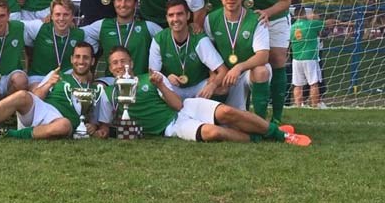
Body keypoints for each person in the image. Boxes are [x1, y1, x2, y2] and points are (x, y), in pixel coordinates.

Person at [96, 46, 310, 146]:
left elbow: (178, 104)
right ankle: (262, 135)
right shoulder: (109, 93)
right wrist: (100, 130)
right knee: (212, 133)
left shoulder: (150, 77)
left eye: (123, 61)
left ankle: (283, 136)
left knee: (226, 112)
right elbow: (105, 125)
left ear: (131, 63)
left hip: (185, 109)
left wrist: (161, 85)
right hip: (171, 128)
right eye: (114, 62)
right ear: (110, 66)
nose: (119, 66)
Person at [216, 0, 291, 123]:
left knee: (276, 60)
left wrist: (265, 13)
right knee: (248, 59)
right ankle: (251, 112)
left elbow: (285, 2)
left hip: (273, 17)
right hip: (242, 19)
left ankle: (276, 117)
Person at [0, 42, 102, 141]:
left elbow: (95, 118)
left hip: (62, 122)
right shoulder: (58, 74)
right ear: (71, 59)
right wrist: (48, 83)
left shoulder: (95, 89)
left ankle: (9, 133)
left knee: (63, 125)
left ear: (92, 61)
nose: (81, 61)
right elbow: (35, 96)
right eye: (77, 57)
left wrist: (93, 126)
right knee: (23, 95)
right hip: (43, 110)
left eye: (85, 57)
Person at [204, 0, 276, 122]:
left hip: (247, 71)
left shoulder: (256, 19)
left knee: (261, 71)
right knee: (231, 119)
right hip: (226, 74)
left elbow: (263, 56)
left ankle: (260, 122)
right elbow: (209, 53)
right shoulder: (210, 19)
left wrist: (239, 67)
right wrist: (214, 76)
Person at [149, 0, 228, 101]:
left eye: (179, 14)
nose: (175, 19)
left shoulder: (199, 38)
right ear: (167, 18)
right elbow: (153, 73)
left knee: (223, 88)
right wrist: (168, 77)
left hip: (197, 87)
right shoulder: (159, 39)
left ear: (188, 15)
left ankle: (211, 113)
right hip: (174, 88)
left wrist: (212, 85)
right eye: (171, 15)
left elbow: (223, 70)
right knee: (157, 84)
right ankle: (173, 111)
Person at [82, 0, 162, 81]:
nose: (123, 4)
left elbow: (169, 39)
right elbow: (77, 33)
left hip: (140, 81)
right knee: (98, 88)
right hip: (111, 81)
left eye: (128, 0)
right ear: (114, 2)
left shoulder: (148, 27)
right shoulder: (103, 25)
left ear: (135, 4)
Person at [24, 0, 85, 86]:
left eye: (66, 15)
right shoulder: (39, 27)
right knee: (38, 94)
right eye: (57, 14)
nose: (61, 18)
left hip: (66, 76)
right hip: (39, 76)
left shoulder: (80, 34)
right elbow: (14, 24)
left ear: (72, 16)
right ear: (51, 16)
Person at [290, 7, 334, 108]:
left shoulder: (292, 27)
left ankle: (298, 105)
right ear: (305, 14)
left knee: (297, 85)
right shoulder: (312, 24)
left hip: (296, 59)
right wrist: (338, 21)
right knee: (313, 83)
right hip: (310, 57)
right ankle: (315, 105)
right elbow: (328, 23)